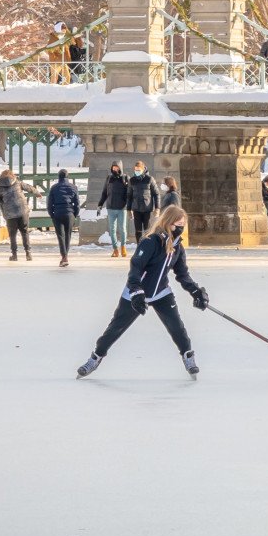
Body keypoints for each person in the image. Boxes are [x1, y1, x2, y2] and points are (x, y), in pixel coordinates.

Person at [76, 205, 208, 380]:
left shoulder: (177, 247)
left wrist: (195, 291)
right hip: (135, 292)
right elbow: (136, 268)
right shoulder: (151, 241)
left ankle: (188, 357)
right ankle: (96, 357)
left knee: (177, 327)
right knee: (115, 328)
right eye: (178, 224)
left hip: (161, 292)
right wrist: (136, 291)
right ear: (168, 223)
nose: (181, 228)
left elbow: (182, 274)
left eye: (183, 225)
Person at [0, 169, 37, 261]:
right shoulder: (18, 182)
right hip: (23, 212)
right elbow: (29, 188)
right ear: (12, 175)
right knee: (25, 232)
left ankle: (14, 255)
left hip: (10, 214)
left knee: (12, 235)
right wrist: (37, 193)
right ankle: (28, 253)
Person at [94, 162, 130, 258]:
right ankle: (115, 249)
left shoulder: (125, 178)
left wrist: (128, 204)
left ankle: (123, 247)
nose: (114, 169)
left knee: (122, 229)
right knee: (112, 230)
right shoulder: (109, 178)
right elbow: (104, 193)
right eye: (113, 168)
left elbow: (129, 193)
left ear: (120, 168)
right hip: (111, 208)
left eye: (116, 168)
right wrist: (100, 205)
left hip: (122, 208)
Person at [47, 170, 80, 266]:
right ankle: (65, 257)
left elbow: (49, 203)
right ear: (67, 176)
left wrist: (52, 214)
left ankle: (64, 257)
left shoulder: (54, 188)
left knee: (60, 236)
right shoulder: (73, 187)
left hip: (57, 213)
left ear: (59, 177)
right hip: (69, 213)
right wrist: (75, 214)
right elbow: (77, 203)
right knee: (67, 235)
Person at [127, 161, 160, 243]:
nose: (136, 171)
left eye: (138, 170)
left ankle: (147, 246)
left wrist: (157, 208)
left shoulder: (149, 179)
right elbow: (129, 195)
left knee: (147, 230)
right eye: (135, 170)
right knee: (138, 230)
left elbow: (156, 194)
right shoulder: (132, 180)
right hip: (136, 209)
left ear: (143, 169)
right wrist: (128, 209)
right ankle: (139, 246)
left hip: (147, 209)